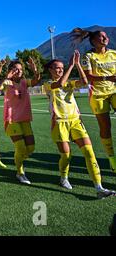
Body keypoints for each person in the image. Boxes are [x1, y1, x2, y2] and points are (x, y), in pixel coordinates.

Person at [44, 51, 115, 199]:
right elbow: (60, 83)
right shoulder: (48, 84)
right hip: (59, 122)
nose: (60, 70)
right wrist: (70, 66)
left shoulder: (70, 83)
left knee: (89, 152)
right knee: (66, 156)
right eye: (57, 68)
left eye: (62, 68)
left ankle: (99, 187)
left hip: (76, 120)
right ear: (50, 70)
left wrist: (77, 65)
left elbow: (84, 81)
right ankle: (63, 178)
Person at [72, 28, 116, 173]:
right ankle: (111, 158)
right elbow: (88, 76)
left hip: (114, 91)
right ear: (93, 41)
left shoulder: (114, 54)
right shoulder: (88, 56)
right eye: (101, 36)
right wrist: (107, 78)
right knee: (105, 127)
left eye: (105, 36)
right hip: (98, 94)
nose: (104, 38)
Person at [0, 57, 41, 185]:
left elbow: (36, 80)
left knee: (30, 148)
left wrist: (35, 69)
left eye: (20, 69)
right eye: (15, 69)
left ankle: (18, 160)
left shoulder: (25, 82)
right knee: (20, 147)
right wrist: (6, 77)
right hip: (12, 120)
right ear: (11, 71)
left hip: (25, 119)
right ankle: (20, 172)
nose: (19, 71)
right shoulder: (8, 83)